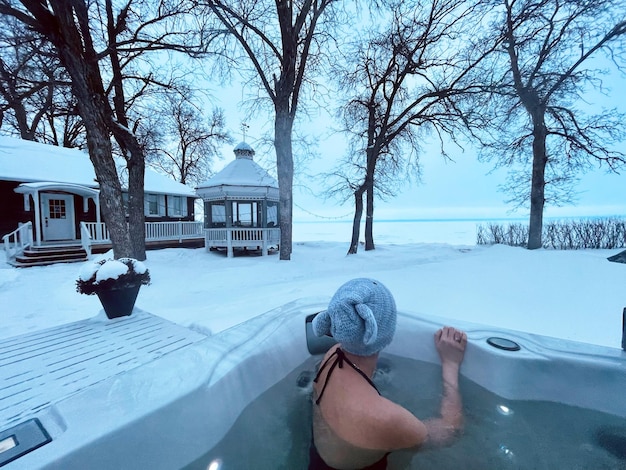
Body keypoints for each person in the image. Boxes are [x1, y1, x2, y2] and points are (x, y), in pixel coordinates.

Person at [309, 278, 467, 470]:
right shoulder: (386, 419)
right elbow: (450, 432)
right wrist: (450, 364)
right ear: (385, 332)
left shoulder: (330, 357)